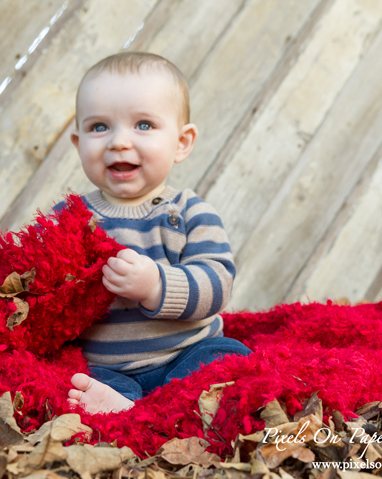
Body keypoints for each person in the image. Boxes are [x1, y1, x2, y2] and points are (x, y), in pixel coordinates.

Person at [63, 52, 252, 414]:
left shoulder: (189, 212)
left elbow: (217, 285)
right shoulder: (71, 218)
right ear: (78, 143)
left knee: (228, 357)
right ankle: (124, 405)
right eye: (99, 127)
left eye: (144, 125)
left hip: (184, 354)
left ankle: (171, 403)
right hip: (106, 367)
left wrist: (155, 287)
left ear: (181, 143)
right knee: (71, 381)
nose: (118, 142)